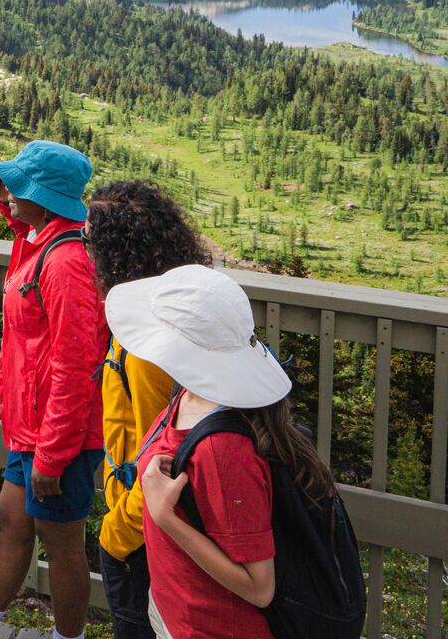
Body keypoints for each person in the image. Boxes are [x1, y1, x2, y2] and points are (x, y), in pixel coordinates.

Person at [0, 140, 105, 639]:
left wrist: (53, 457)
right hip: (31, 425)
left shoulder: (67, 263)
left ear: (43, 196)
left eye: (17, 187)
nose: (8, 196)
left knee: (62, 545)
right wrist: (4, 200)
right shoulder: (42, 240)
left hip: (60, 435)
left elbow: (77, 368)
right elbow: (26, 231)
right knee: (12, 518)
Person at [105, 265, 327, 639]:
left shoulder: (225, 449)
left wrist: (164, 516)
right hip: (176, 611)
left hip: (213, 628)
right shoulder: (191, 393)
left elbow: (259, 588)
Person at [86, 181, 215, 639]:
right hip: (156, 528)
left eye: (88, 240)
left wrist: (116, 534)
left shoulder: (145, 349)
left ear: (114, 255)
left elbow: (165, 452)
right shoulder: (174, 315)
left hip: (143, 534)